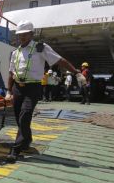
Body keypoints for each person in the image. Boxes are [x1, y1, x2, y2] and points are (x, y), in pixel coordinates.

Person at [5, 20, 80, 163]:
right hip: (17, 88)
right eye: (20, 34)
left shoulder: (40, 48)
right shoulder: (15, 52)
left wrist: (76, 72)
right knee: (18, 118)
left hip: (33, 88)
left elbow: (60, 60)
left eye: (25, 34)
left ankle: (15, 149)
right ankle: (26, 140)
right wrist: (9, 91)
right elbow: (10, 73)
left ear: (31, 34)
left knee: (24, 116)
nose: (22, 37)